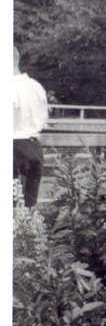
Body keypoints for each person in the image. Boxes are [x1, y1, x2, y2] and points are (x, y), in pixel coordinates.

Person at [13, 45, 49, 207]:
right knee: (29, 206)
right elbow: (43, 119)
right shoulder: (36, 87)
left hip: (13, 148)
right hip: (34, 150)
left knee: (12, 207)